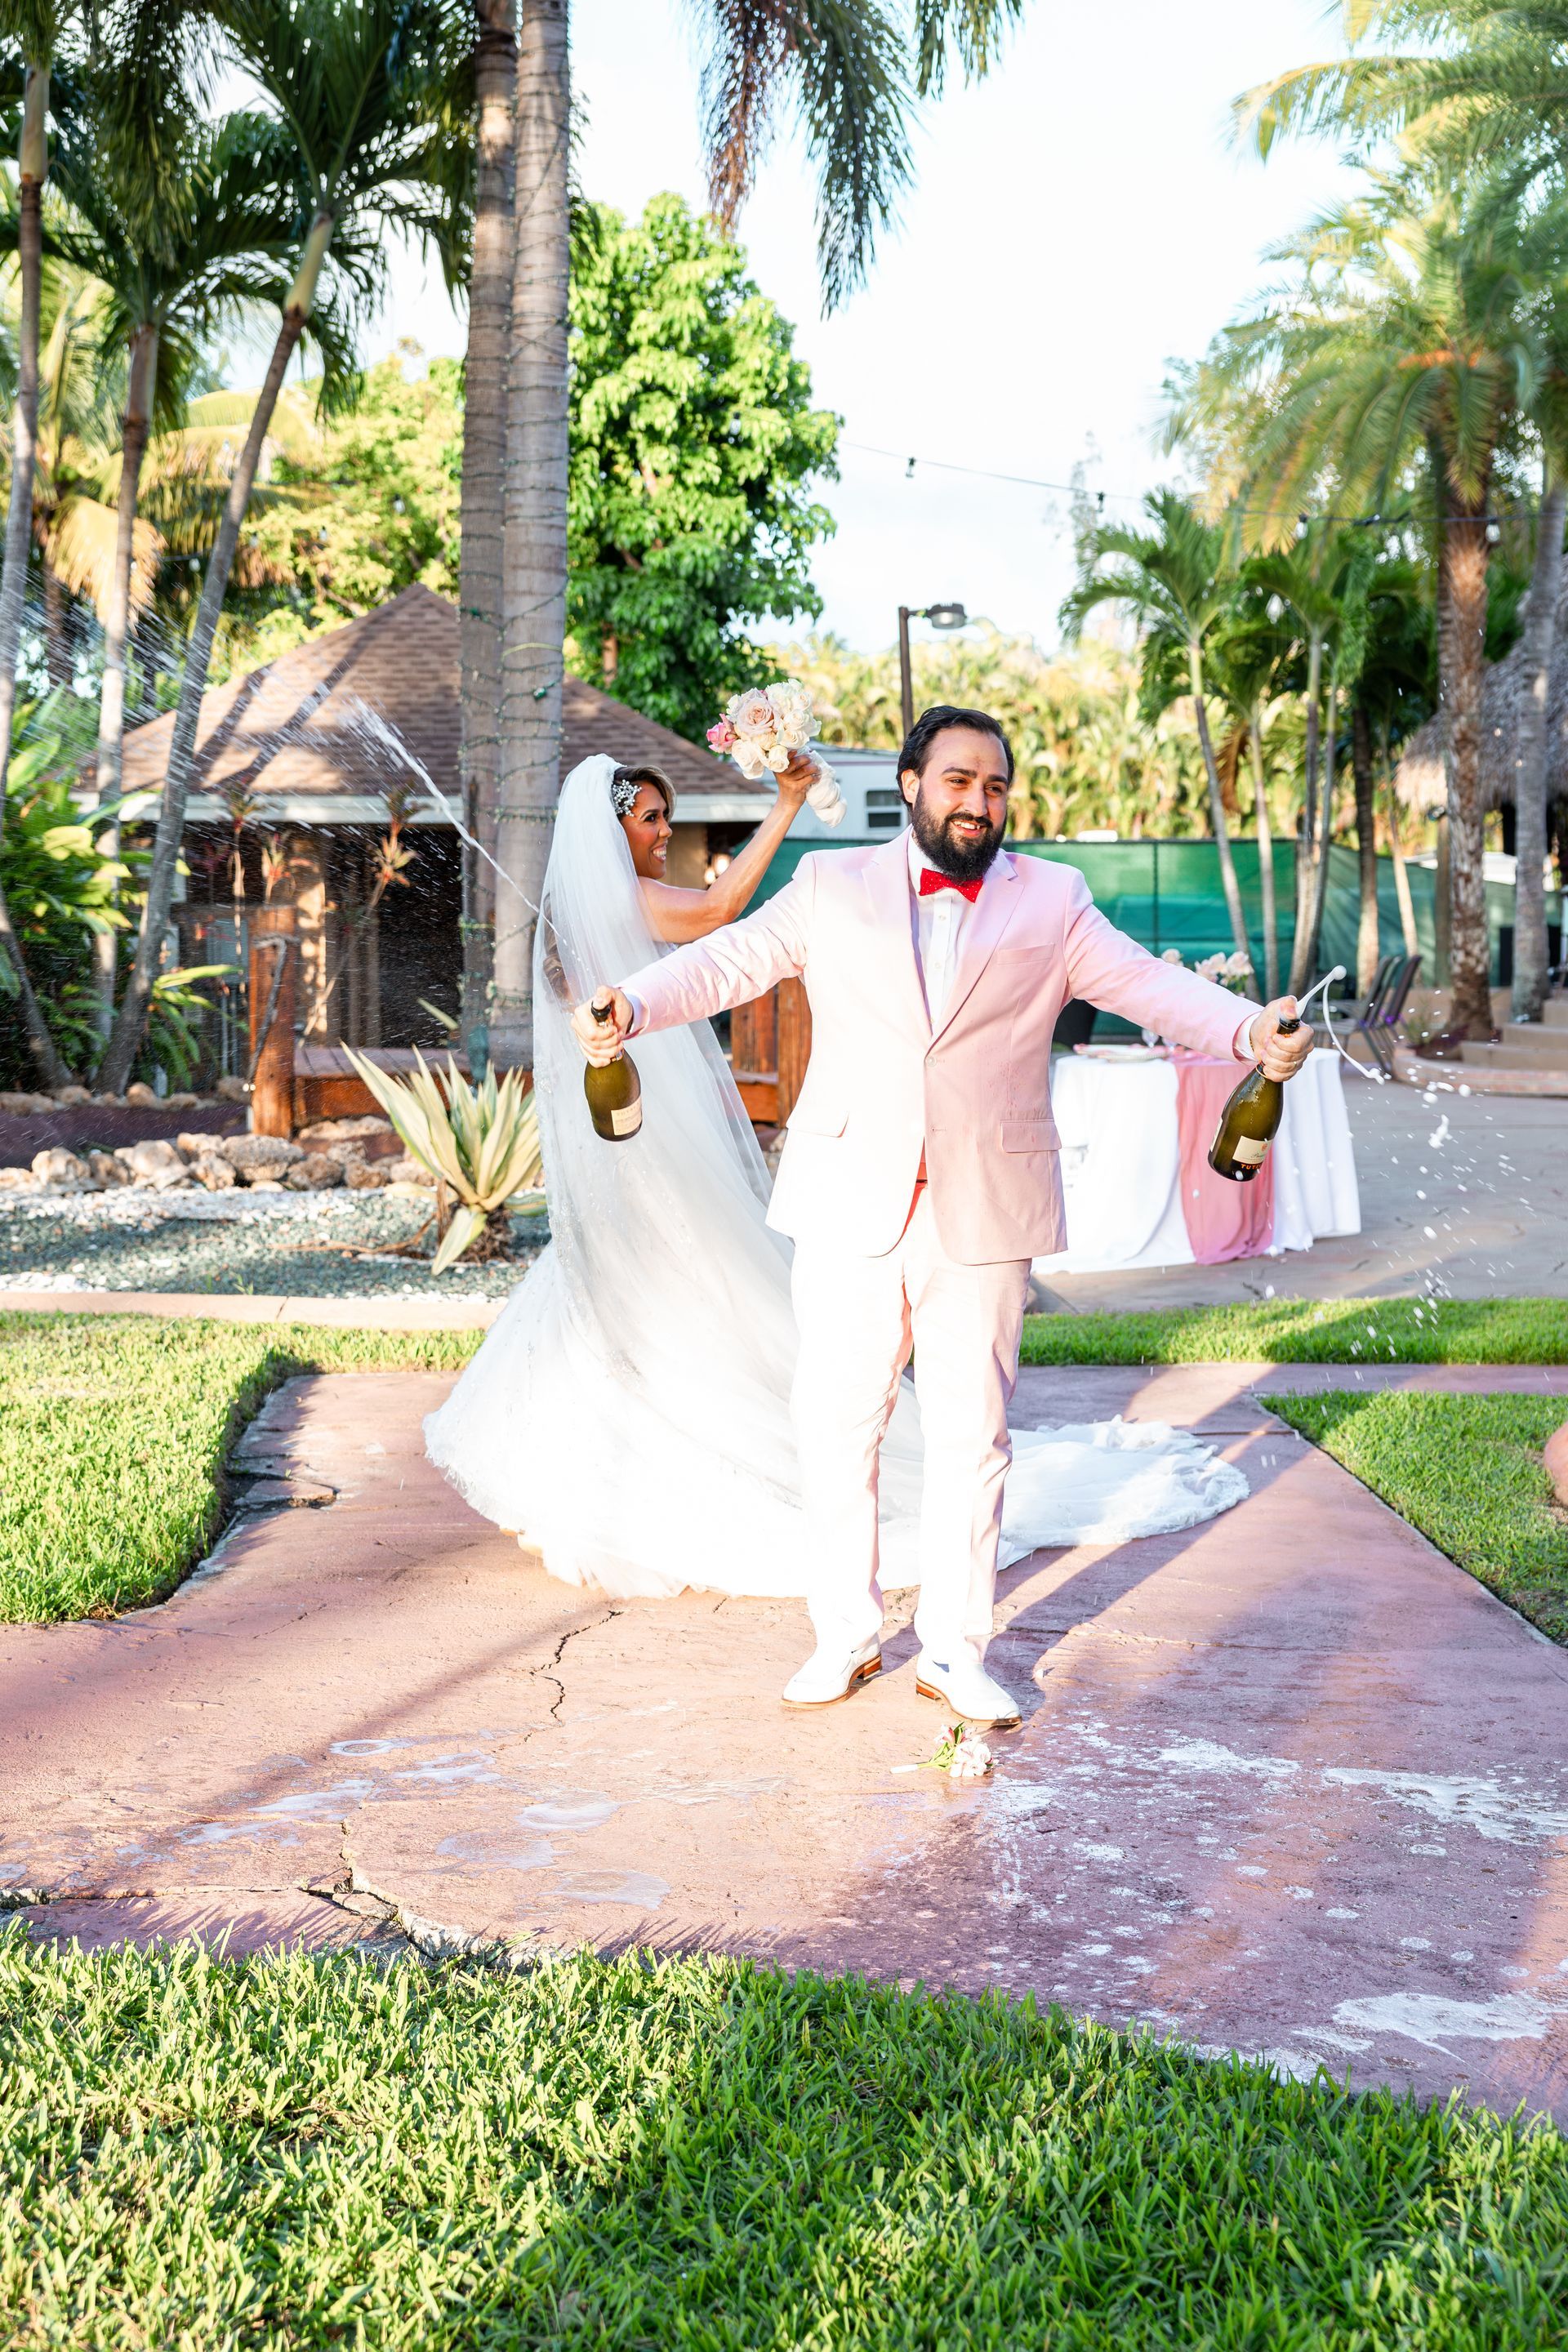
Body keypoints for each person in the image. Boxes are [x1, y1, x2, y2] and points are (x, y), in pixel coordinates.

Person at [568, 705, 1313, 1729]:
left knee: (975, 1436)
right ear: (914, 783)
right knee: (838, 1427)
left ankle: (956, 1652)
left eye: (997, 786)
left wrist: (1245, 1029)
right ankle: (845, 1635)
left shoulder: (1055, 897)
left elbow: (1146, 985)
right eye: (960, 781)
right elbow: (724, 961)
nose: (980, 802)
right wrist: (632, 1006)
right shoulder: (831, 886)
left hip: (985, 1207)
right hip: (848, 1202)